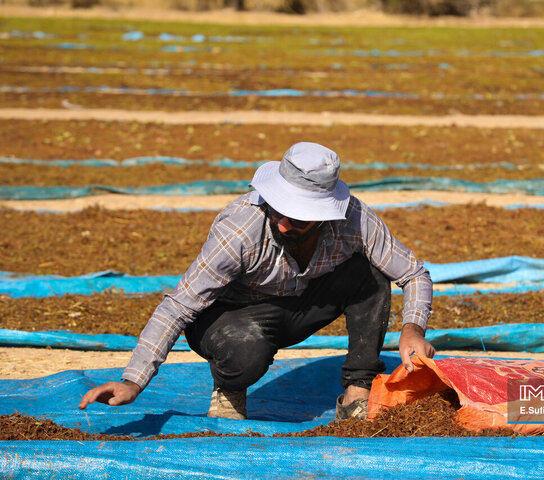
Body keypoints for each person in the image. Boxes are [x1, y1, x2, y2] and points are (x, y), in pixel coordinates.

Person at [79, 142, 435, 420]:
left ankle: (357, 391)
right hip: (230, 318)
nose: (283, 224)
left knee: (371, 275)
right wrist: (133, 381)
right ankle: (230, 387)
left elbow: (414, 273)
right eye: (278, 210)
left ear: (324, 214)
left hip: (299, 306)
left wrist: (413, 328)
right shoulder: (240, 231)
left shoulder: (354, 219)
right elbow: (178, 306)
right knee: (244, 349)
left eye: (297, 218)